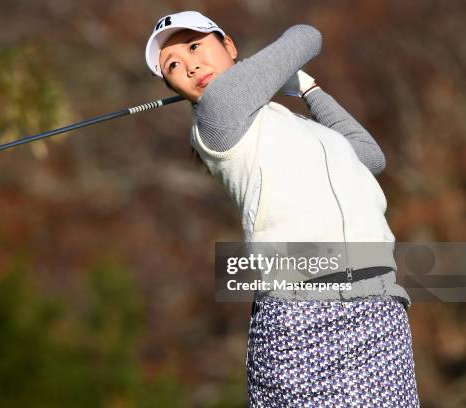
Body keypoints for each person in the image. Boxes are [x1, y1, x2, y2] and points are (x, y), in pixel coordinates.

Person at [145, 10, 421, 407]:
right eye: (173, 65)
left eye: (195, 46)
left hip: (379, 310)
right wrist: (282, 70)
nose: (191, 66)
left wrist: (308, 90)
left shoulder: (296, 128)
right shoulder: (218, 110)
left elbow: (369, 157)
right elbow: (307, 36)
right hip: (302, 317)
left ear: (228, 46)